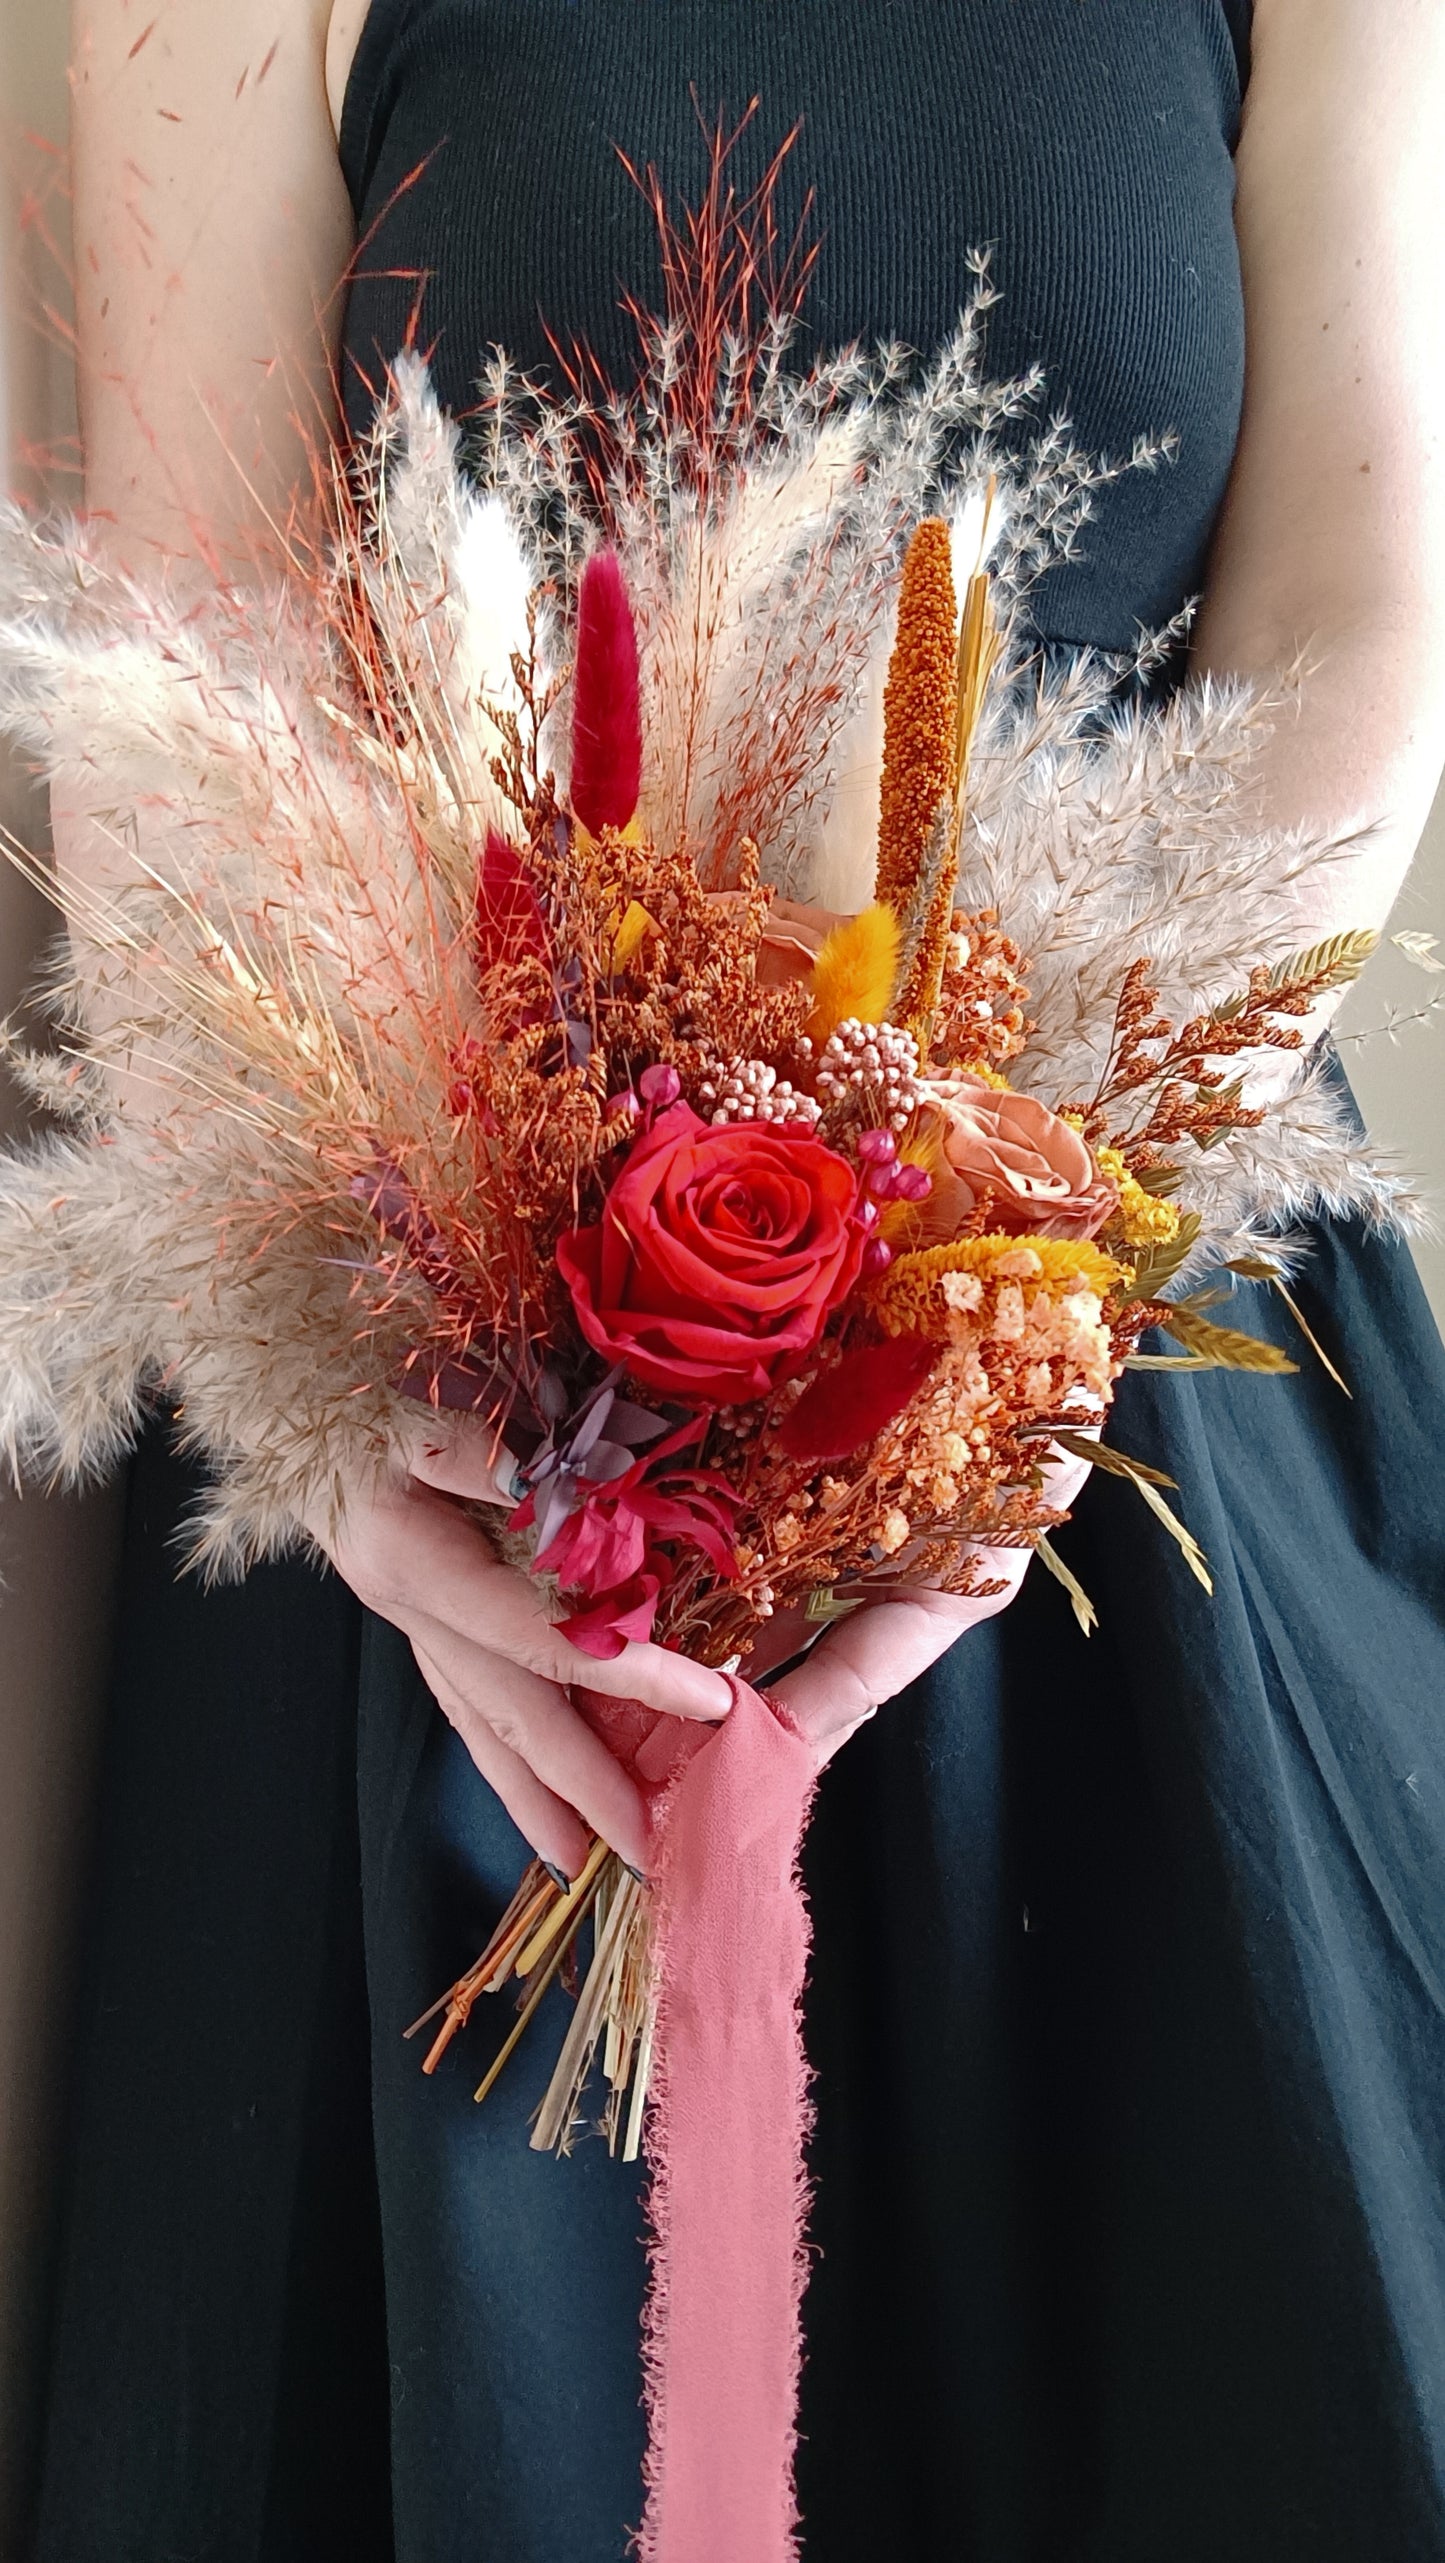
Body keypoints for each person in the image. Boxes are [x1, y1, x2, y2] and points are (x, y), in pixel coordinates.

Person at [29, 2, 1445, 2557]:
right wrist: (372, 1430)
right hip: (469, 1477)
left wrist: (1002, 1284)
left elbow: (1359, 630)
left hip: (1129, 1417)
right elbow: (179, 702)